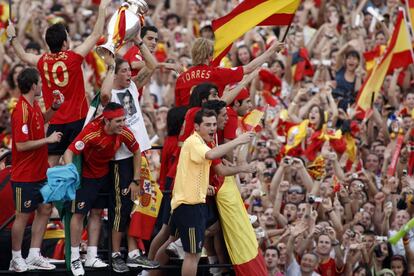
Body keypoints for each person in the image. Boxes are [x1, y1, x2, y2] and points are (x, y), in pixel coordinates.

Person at [6, 0, 112, 166]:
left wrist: (12, 36)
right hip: (78, 118)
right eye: (67, 37)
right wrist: (102, 8)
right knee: (81, 159)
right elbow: (96, 34)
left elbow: (23, 55)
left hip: (56, 121)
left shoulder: (42, 61)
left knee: (52, 162)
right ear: (64, 42)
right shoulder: (75, 57)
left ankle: (51, 191)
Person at [169, 109, 255, 276]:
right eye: (207, 124)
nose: (212, 128)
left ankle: (179, 243)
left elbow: (214, 169)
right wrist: (238, 141)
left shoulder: (201, 142)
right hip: (189, 205)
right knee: (192, 255)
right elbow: (211, 154)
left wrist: (241, 168)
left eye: (214, 125)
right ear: (196, 127)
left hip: (195, 204)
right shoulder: (194, 142)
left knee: (207, 235)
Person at [63, 103, 142, 276]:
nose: (123, 124)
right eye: (119, 121)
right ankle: (75, 258)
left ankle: (91, 255)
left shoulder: (124, 132)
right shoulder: (91, 132)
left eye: (124, 120)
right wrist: (71, 172)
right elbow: (69, 152)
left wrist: (136, 179)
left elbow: (137, 151)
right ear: (107, 121)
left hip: (104, 176)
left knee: (97, 213)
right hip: (86, 177)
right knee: (79, 214)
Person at [100, 39, 159, 272]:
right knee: (120, 207)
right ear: (114, 74)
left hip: (140, 153)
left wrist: (139, 41)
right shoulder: (110, 93)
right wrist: (110, 66)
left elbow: (152, 66)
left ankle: (134, 252)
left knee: (138, 205)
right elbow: (104, 93)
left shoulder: (132, 87)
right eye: (123, 71)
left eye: (128, 70)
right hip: (120, 159)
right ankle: (116, 254)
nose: (128, 74)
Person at [10, 68, 63, 272]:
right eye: (40, 82)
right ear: (33, 85)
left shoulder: (32, 107)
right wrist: (48, 140)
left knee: (46, 209)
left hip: (40, 173)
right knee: (22, 216)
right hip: (25, 175)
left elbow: (42, 119)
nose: (42, 85)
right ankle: (16, 258)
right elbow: (21, 145)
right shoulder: (20, 110)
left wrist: (55, 108)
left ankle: (33, 254)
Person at [174, 37, 284, 107]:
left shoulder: (181, 78)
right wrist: (271, 50)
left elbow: (177, 107)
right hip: (208, 129)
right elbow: (249, 68)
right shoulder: (216, 73)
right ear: (210, 56)